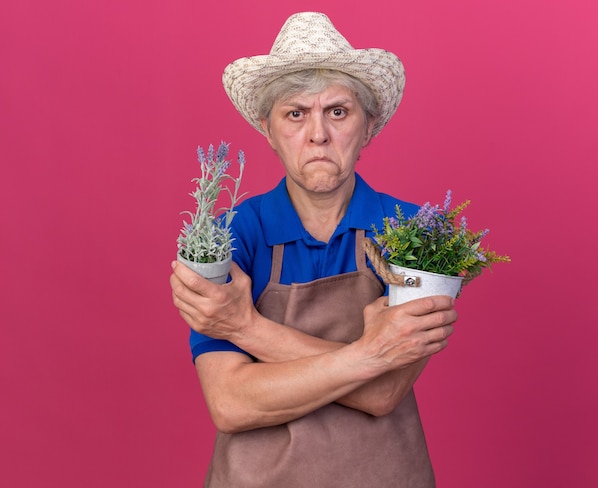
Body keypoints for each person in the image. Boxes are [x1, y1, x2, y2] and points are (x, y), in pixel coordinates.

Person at [170, 12, 458, 488]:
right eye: (296, 113)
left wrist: (245, 326)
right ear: (268, 130)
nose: (318, 134)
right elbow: (231, 403)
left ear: (368, 127)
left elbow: (384, 392)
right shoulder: (228, 236)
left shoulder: (417, 234)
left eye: (338, 112)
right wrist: (371, 353)